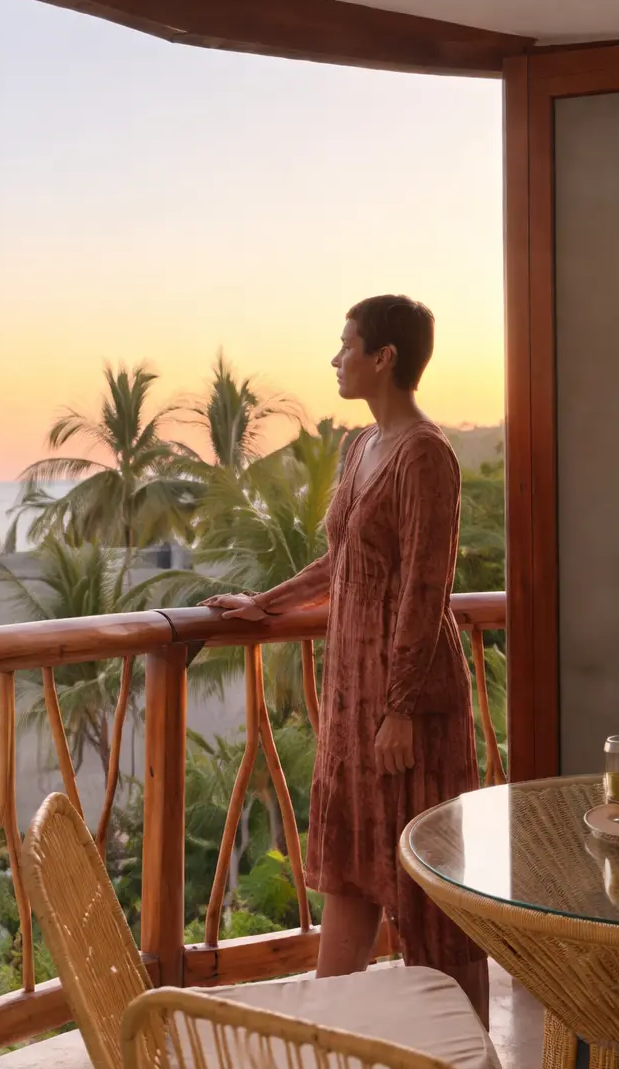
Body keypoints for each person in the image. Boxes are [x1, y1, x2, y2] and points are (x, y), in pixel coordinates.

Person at [205, 295, 489, 1024]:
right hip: (351, 692)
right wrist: (264, 604)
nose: (336, 359)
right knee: (352, 868)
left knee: (428, 887)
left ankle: (461, 1064)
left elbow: (427, 585)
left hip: (409, 703)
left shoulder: (427, 454)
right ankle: (333, 1045)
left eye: (347, 345)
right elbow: (342, 562)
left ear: (384, 357)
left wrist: (400, 708)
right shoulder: (360, 448)